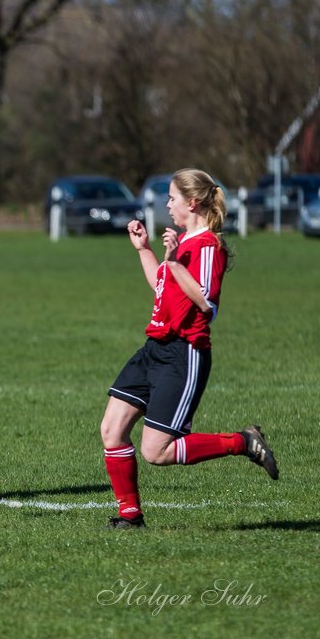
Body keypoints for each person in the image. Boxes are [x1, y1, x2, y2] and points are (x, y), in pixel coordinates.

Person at [100, 167, 278, 529]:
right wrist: (145, 250)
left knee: (156, 451)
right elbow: (163, 286)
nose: (167, 204)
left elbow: (207, 303)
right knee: (111, 430)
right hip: (154, 347)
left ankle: (243, 442)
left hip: (185, 353)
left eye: (172, 198)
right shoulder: (182, 245)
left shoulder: (208, 245)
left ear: (192, 203)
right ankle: (130, 517)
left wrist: (176, 260)